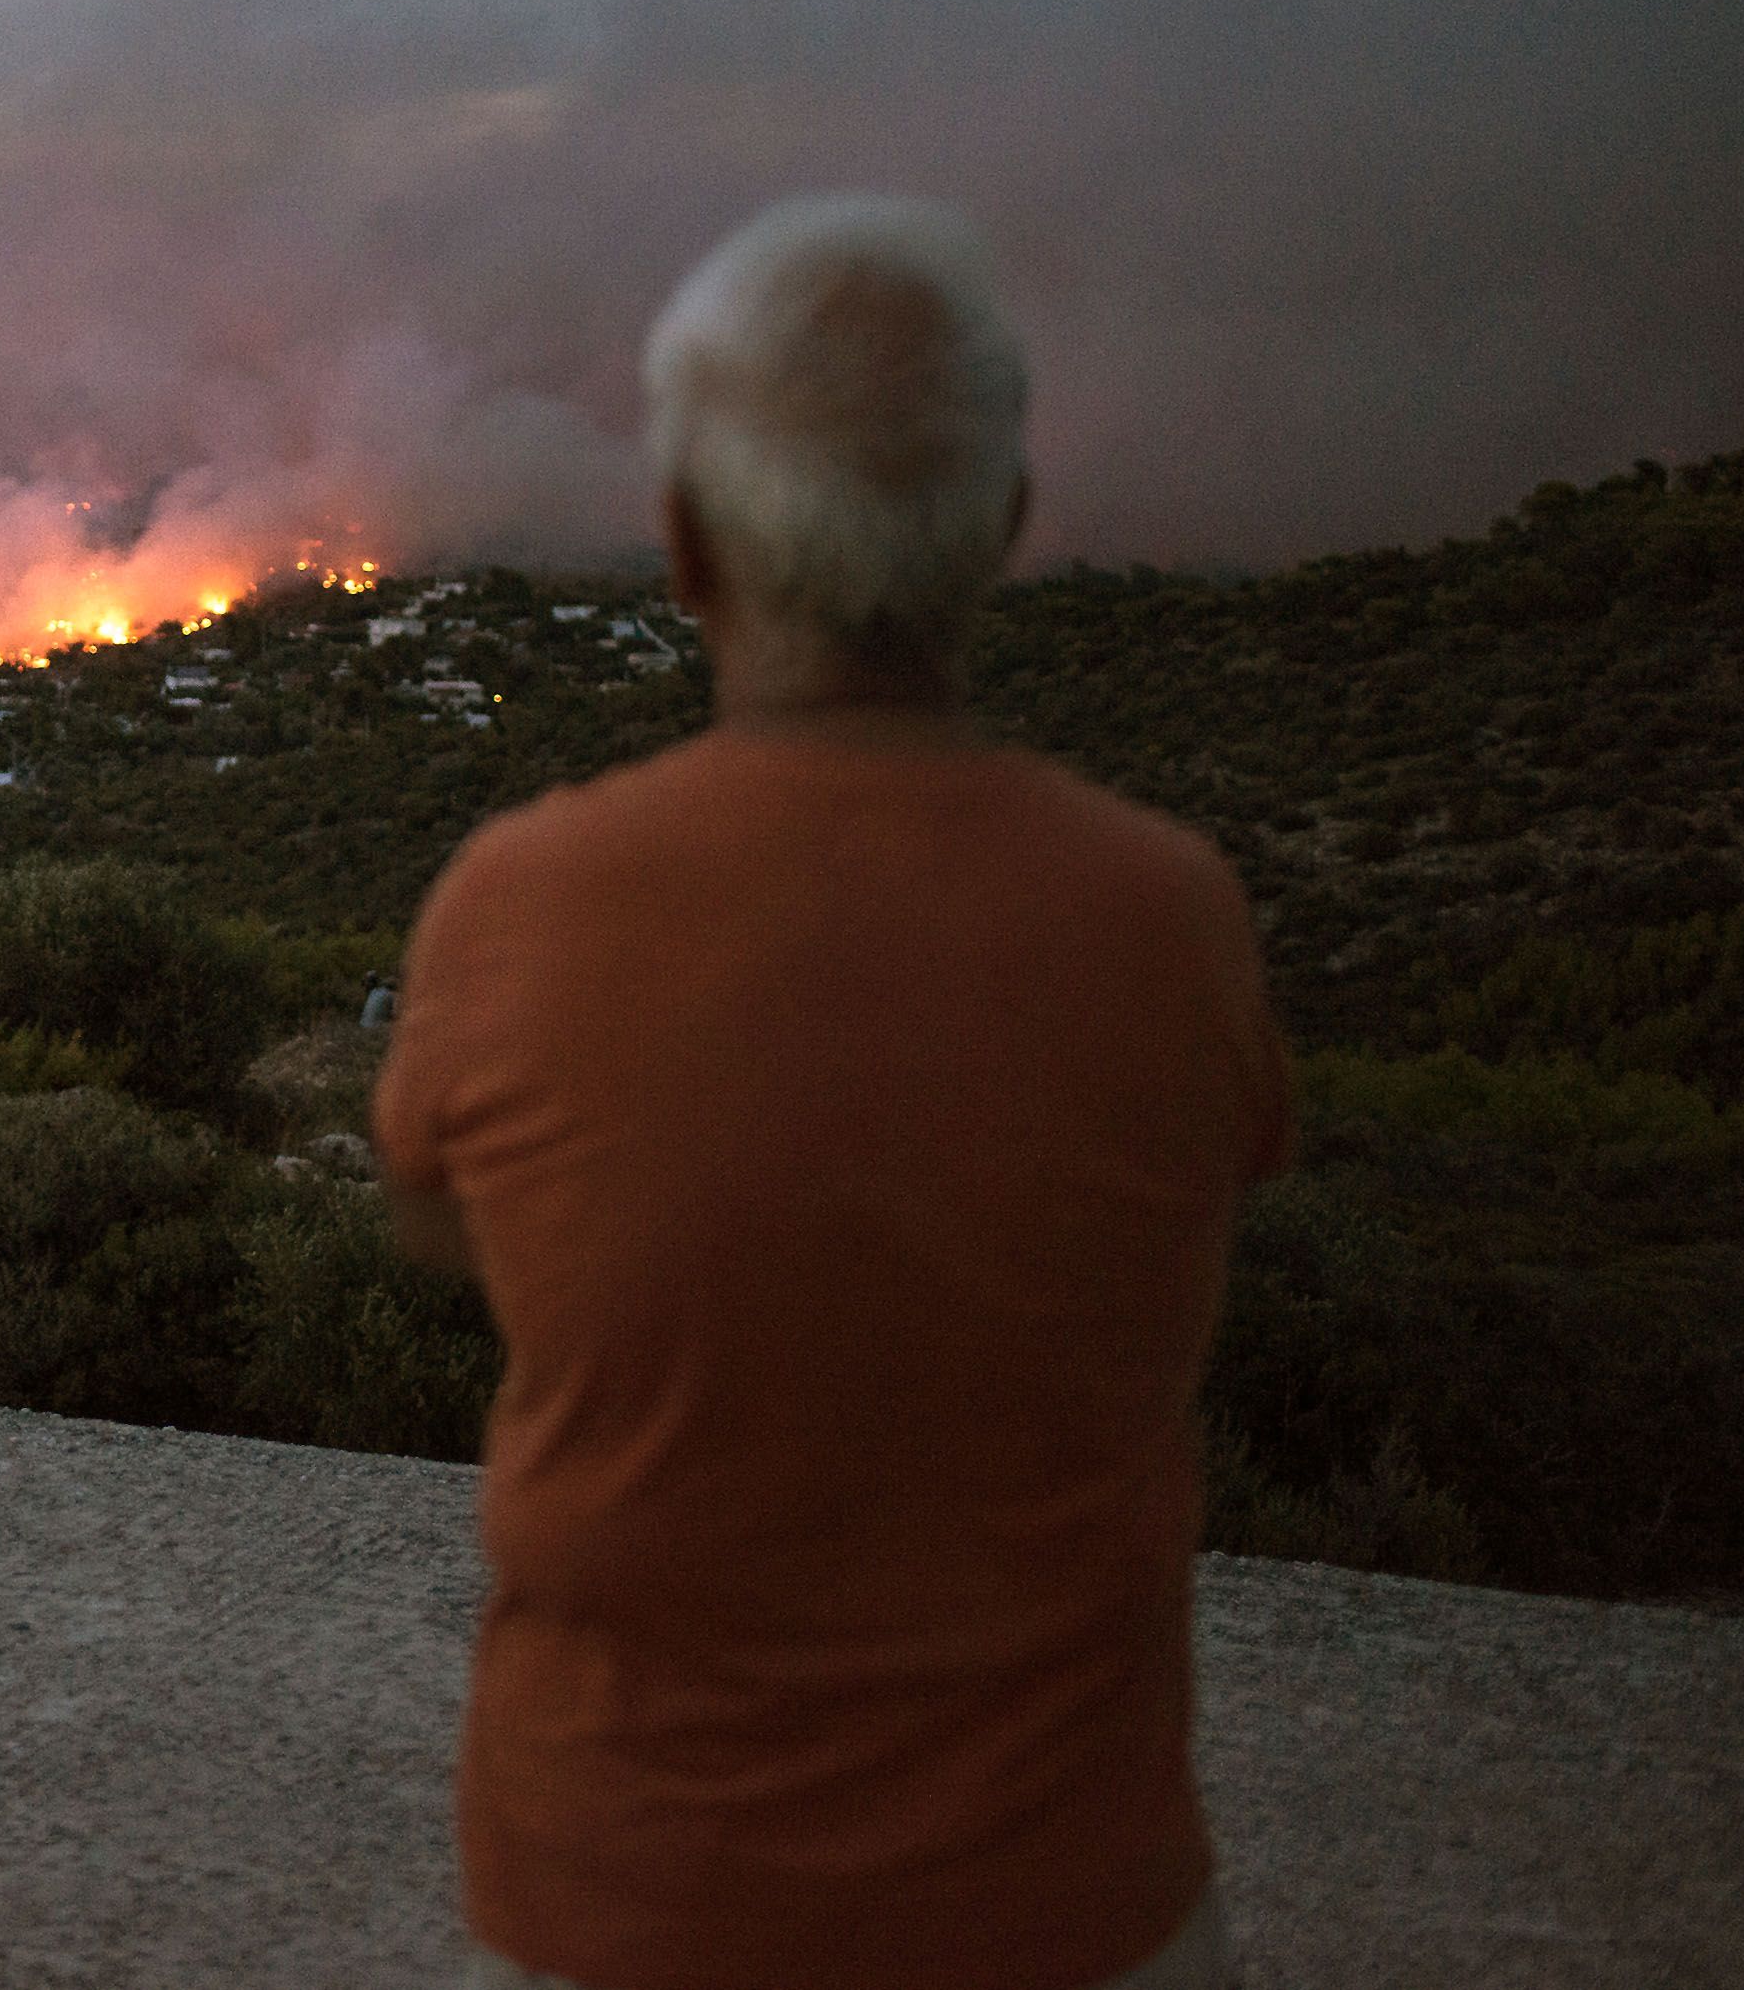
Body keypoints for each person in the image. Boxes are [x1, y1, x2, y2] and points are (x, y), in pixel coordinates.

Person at [371, 198, 1289, 1990]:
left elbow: (438, 1233)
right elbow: (1202, 1189)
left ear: (686, 550)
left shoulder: (522, 902)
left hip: (623, 1905)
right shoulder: (1168, 914)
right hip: (1067, 1910)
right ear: (1004, 534)